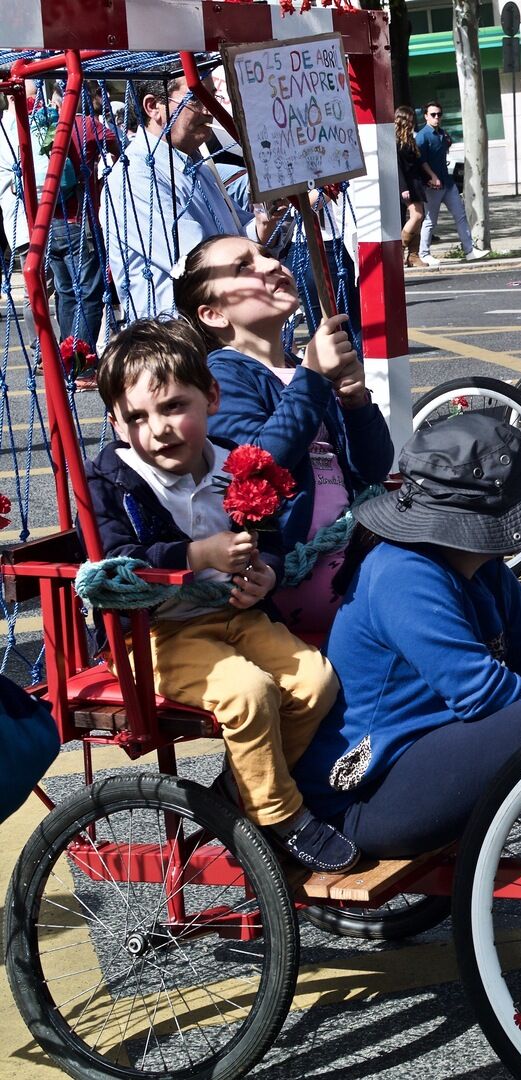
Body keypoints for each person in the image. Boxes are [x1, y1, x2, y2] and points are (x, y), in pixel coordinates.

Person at [86, 318, 355, 872]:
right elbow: (119, 562)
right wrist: (195, 555)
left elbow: (273, 530)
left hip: (234, 615)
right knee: (248, 691)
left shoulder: (235, 461)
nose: (157, 429)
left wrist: (269, 573)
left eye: (172, 407)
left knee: (316, 681)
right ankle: (279, 815)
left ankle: (239, 790)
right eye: (136, 417)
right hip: (155, 632)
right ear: (115, 421)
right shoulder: (113, 479)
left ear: (211, 397)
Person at [292, 412, 521, 857]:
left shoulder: (484, 569)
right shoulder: (404, 573)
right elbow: (480, 691)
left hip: (433, 752)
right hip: (364, 794)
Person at [173, 235, 395, 636]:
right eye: (243, 267)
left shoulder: (303, 367)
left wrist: (356, 401)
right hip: (293, 565)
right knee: (417, 582)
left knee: (458, 560)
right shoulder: (222, 376)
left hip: (352, 538)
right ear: (213, 314)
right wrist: (311, 378)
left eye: (269, 255)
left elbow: (374, 467)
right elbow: (256, 465)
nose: (271, 265)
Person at [103, 76, 268, 320]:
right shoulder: (134, 176)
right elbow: (198, 261)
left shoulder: (197, 164)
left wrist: (264, 223)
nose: (209, 110)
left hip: (218, 327)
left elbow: (235, 234)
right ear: (153, 107)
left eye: (211, 96)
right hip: (178, 344)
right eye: (196, 98)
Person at [42, 81, 118, 347]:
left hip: (49, 224)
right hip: (80, 222)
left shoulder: (43, 128)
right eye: (98, 91)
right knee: (88, 291)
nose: (103, 96)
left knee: (65, 293)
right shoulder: (87, 125)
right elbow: (119, 146)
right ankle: (82, 361)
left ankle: (66, 356)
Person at [416, 102, 483, 266]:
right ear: (426, 116)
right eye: (433, 114)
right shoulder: (423, 136)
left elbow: (446, 147)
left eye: (439, 114)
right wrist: (432, 176)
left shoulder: (442, 133)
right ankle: (424, 253)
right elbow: (421, 160)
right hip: (432, 185)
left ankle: (469, 250)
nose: (437, 117)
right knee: (431, 220)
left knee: (460, 215)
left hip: (447, 182)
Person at [395, 106, 429, 268]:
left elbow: (416, 163)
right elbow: (397, 166)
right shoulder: (394, 141)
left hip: (415, 182)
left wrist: (427, 178)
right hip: (405, 183)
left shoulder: (410, 139)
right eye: (409, 119)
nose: (412, 122)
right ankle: (399, 250)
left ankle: (413, 255)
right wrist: (402, 187)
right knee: (417, 215)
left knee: (419, 218)